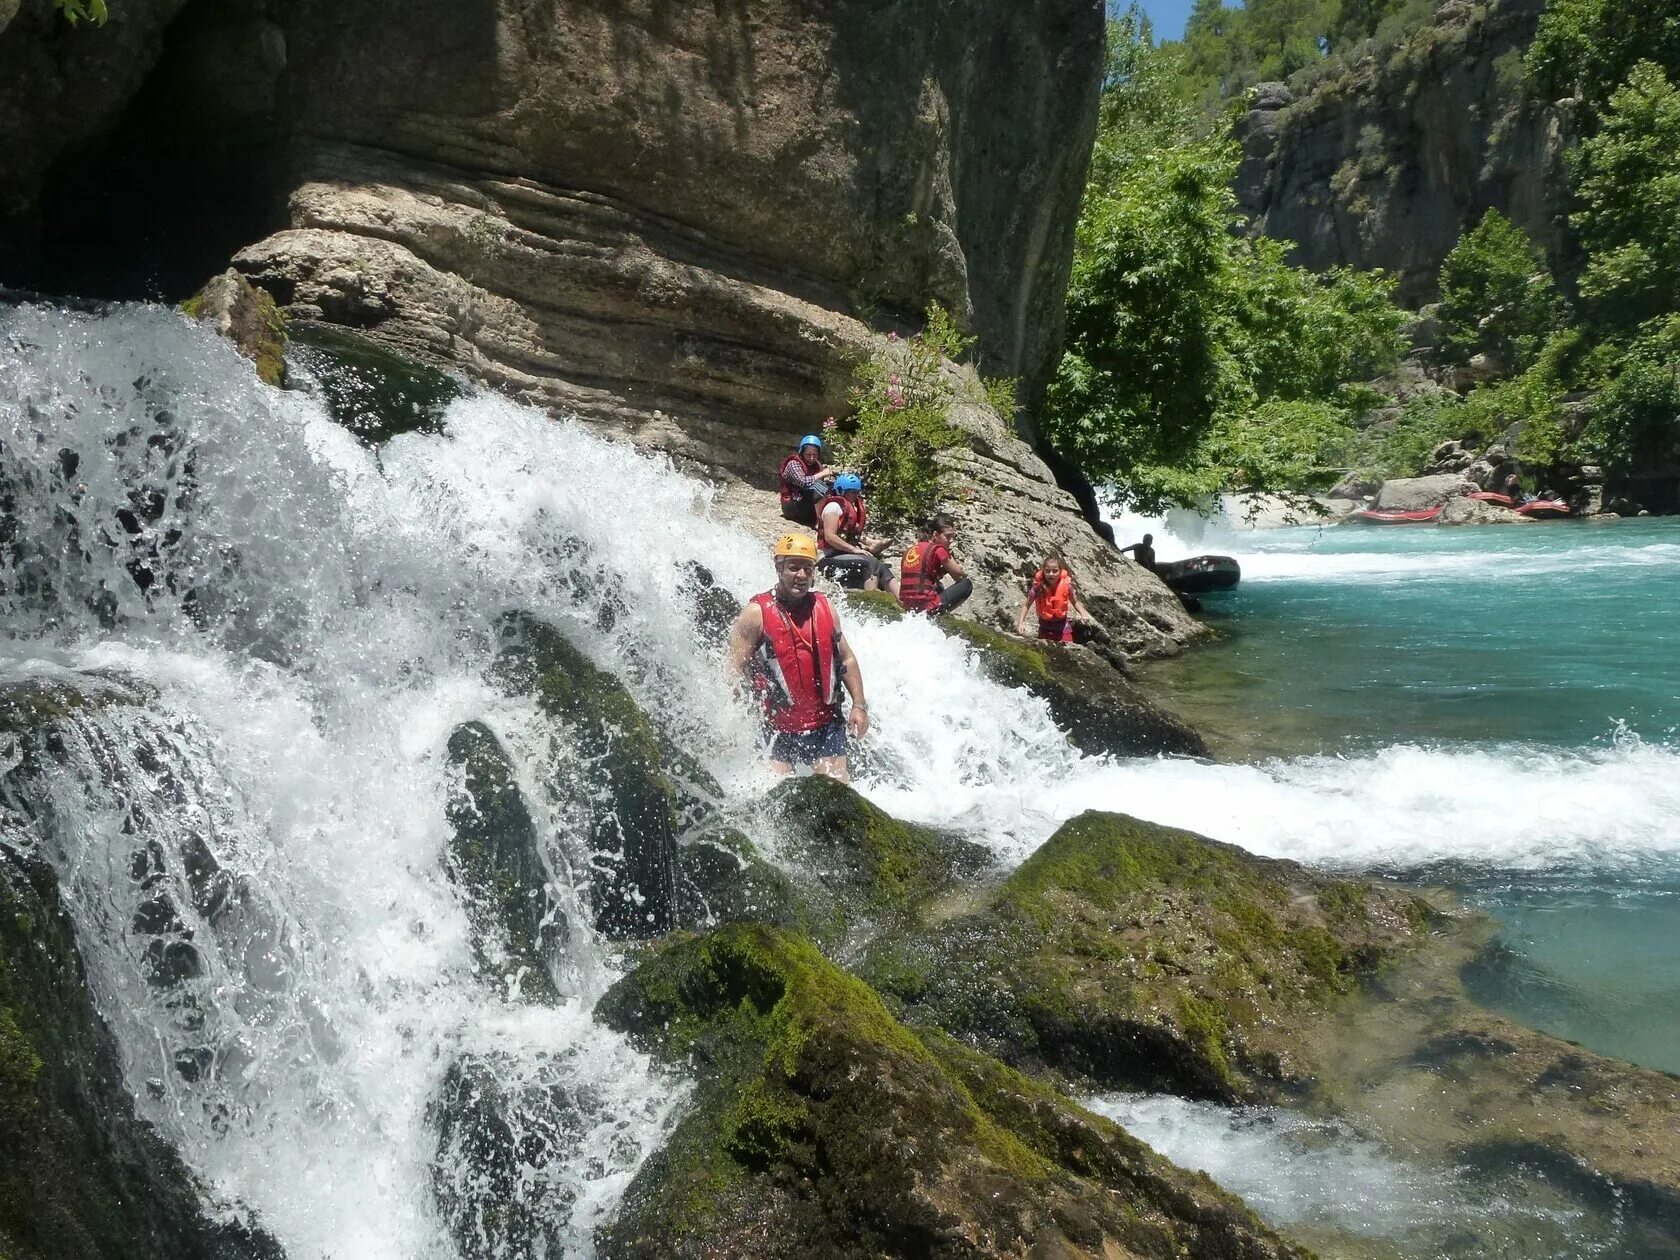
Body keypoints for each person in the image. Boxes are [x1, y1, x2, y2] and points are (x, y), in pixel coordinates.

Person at [728, 533, 869, 782]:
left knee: (834, 797)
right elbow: (733, 671)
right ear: (778, 568)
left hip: (825, 725)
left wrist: (859, 706)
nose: (801, 575)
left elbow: (846, 659)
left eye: (808, 568)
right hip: (776, 728)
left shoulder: (826, 608)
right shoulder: (756, 614)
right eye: (793, 567)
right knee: (778, 799)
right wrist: (734, 723)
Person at [814, 473, 896, 593]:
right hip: (828, 557)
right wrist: (854, 550)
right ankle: (871, 599)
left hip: (842, 555)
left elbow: (852, 535)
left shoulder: (850, 510)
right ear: (841, 490)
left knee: (882, 567)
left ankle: (904, 603)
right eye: (852, 492)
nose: (855, 495)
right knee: (871, 564)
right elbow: (830, 537)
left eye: (857, 492)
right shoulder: (833, 507)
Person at [896, 513, 972, 615]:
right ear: (935, 535)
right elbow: (959, 575)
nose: (951, 541)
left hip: (908, 604)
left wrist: (942, 571)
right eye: (948, 536)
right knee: (966, 584)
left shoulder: (910, 549)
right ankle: (936, 616)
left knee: (938, 586)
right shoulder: (938, 549)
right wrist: (953, 562)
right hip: (926, 605)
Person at [1015, 551, 1096, 642]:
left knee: (1067, 650)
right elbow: (1026, 605)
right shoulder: (1038, 587)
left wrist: (1083, 613)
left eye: (1055, 571)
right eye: (1047, 571)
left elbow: (1075, 601)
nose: (1051, 574)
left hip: (1062, 626)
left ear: (1060, 571)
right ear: (1043, 571)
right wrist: (1020, 623)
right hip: (1045, 627)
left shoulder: (1067, 586)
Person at [778, 434, 835, 528]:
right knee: (818, 486)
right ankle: (820, 522)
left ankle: (828, 520)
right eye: (808, 454)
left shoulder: (816, 465)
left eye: (815, 455)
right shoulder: (793, 464)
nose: (812, 458)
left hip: (806, 506)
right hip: (792, 506)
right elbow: (803, 482)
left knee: (829, 487)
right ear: (802, 453)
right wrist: (822, 474)